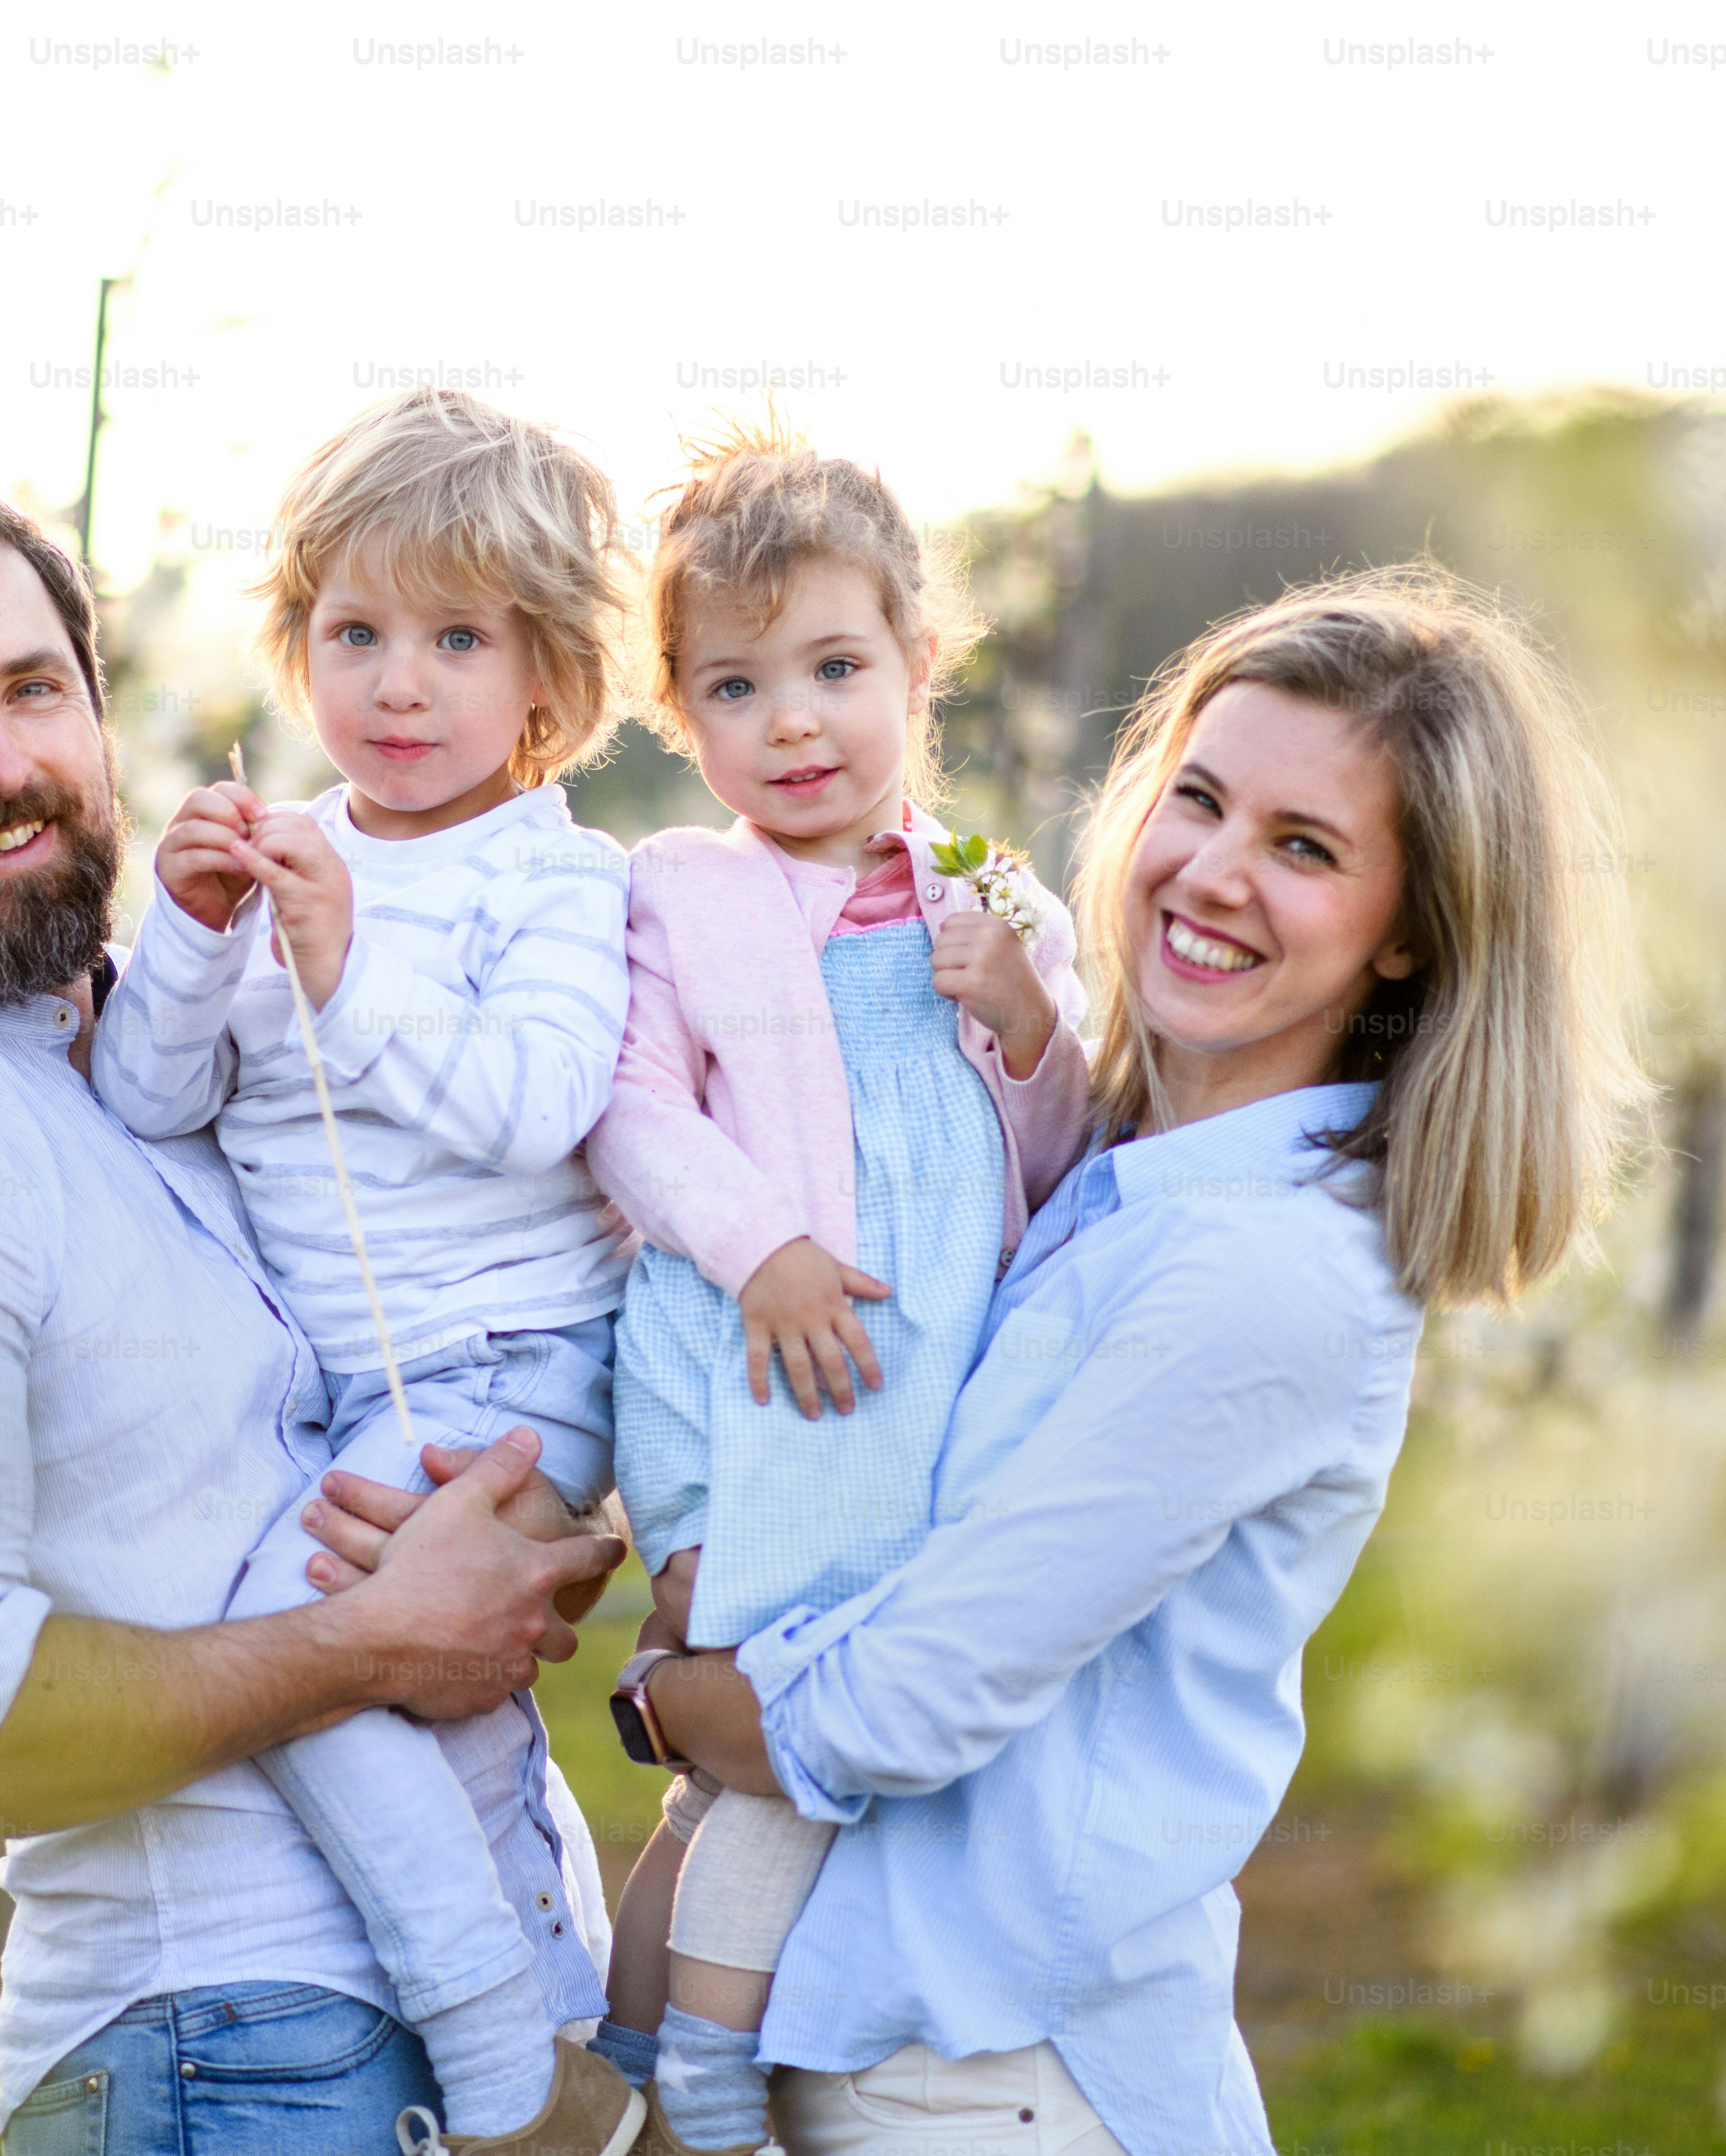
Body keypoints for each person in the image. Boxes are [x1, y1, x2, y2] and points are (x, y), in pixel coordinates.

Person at [321, 566, 1645, 2155]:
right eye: (1201, 803)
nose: (1212, 874)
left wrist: (669, 1692)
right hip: (876, 2051)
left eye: (1303, 849)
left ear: (1413, 937)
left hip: (993, 2083)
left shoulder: (1267, 1269)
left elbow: (899, 1703)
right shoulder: (1101, 1167)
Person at [0, 448, 625, 2152]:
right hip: (224, 2060)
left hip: (438, 2016)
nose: (4, 766)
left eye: (32, 690)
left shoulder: (174, 1035)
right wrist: (368, 1640)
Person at [91, 387, 648, 2156]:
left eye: (458, 638)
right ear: (299, 649)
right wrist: (185, 937)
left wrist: (345, 973)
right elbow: (152, 1102)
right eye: (358, 633)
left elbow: (533, 1103)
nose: (399, 683)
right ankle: (571, 2050)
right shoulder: (281, 867)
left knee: (300, 1659)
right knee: (422, 1702)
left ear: (546, 685)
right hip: (349, 1393)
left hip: (514, 1370)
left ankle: (500, 2058)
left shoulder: (556, 881)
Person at [576, 423, 1091, 2156]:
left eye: (834, 668)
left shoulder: (993, 896)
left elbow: (1061, 1149)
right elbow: (633, 1118)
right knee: (781, 1749)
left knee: (768, 1767)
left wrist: (1021, 1015)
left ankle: (644, 2056)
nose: (792, 722)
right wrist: (766, 1249)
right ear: (679, 712)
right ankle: (709, 2083)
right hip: (752, 1377)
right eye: (735, 686)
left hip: (923, 1397)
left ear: (918, 666)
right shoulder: (684, 896)